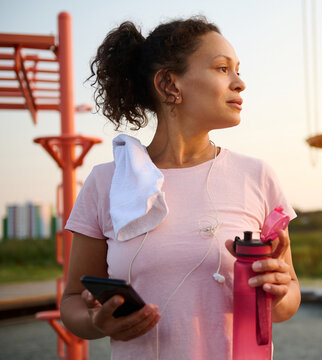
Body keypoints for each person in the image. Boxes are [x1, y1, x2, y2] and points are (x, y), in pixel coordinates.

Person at [60, 16, 300, 360]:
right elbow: (71, 302)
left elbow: (289, 296)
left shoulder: (258, 175)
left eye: (238, 70)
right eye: (222, 69)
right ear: (169, 84)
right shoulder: (105, 182)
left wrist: (278, 292)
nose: (240, 83)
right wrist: (98, 323)